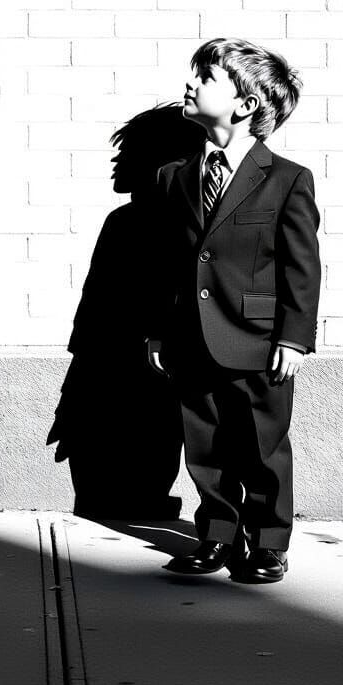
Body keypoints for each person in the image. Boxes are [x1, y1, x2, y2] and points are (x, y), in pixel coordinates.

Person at [147, 38, 321, 582]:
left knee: (263, 447)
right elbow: (167, 263)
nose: (191, 84)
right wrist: (159, 332)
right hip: (192, 335)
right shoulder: (174, 176)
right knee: (205, 442)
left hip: (259, 338)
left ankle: (268, 542)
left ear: (245, 104)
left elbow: (301, 267)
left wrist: (292, 337)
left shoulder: (286, 179)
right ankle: (217, 534)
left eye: (206, 76)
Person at [47, 105, 203, 519]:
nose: (117, 162)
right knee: (101, 496)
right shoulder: (123, 221)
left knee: (130, 494)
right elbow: (93, 308)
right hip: (102, 376)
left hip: (147, 378)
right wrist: (74, 395)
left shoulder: (179, 225)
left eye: (129, 152)